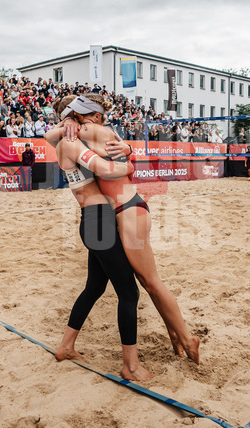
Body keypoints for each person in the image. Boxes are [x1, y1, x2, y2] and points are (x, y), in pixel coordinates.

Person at [50, 94, 200, 364]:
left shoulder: (83, 134)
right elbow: (101, 165)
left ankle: (185, 339)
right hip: (108, 215)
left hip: (121, 211)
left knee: (147, 282)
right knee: (133, 284)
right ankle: (175, 338)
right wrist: (129, 157)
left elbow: (53, 136)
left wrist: (128, 154)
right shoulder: (76, 137)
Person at [48, 104, 153, 382]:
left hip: (94, 221)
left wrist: (126, 147)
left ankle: (66, 347)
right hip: (99, 223)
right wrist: (130, 163)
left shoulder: (62, 140)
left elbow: (50, 135)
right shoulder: (70, 142)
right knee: (129, 293)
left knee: (94, 287)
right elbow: (105, 169)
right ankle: (131, 366)